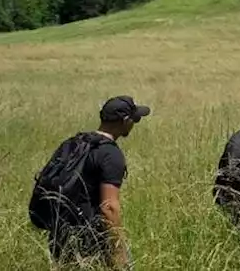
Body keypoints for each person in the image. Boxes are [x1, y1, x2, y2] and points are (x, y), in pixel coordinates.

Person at [29, 96, 150, 269]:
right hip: (89, 239)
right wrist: (118, 250)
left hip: (59, 232)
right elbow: (109, 207)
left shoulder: (74, 143)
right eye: (134, 119)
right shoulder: (110, 154)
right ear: (124, 121)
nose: (135, 123)